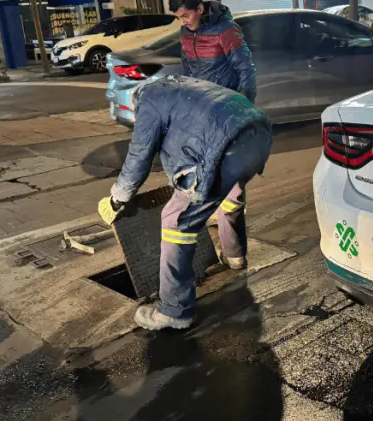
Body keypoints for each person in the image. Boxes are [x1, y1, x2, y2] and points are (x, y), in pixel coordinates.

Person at [98, 75, 272, 331]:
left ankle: (174, 311)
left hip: (225, 147)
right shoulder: (180, 86)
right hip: (258, 136)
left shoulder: (148, 102)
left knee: (177, 220)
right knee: (230, 193)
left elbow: (138, 158)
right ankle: (235, 255)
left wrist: (117, 198)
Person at [168, 0, 257, 103]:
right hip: (201, 103)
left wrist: (245, 105)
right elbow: (187, 68)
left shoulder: (225, 29)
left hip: (226, 102)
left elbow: (246, 69)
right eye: (178, 17)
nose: (183, 22)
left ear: (199, 9)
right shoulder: (185, 31)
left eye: (185, 16)